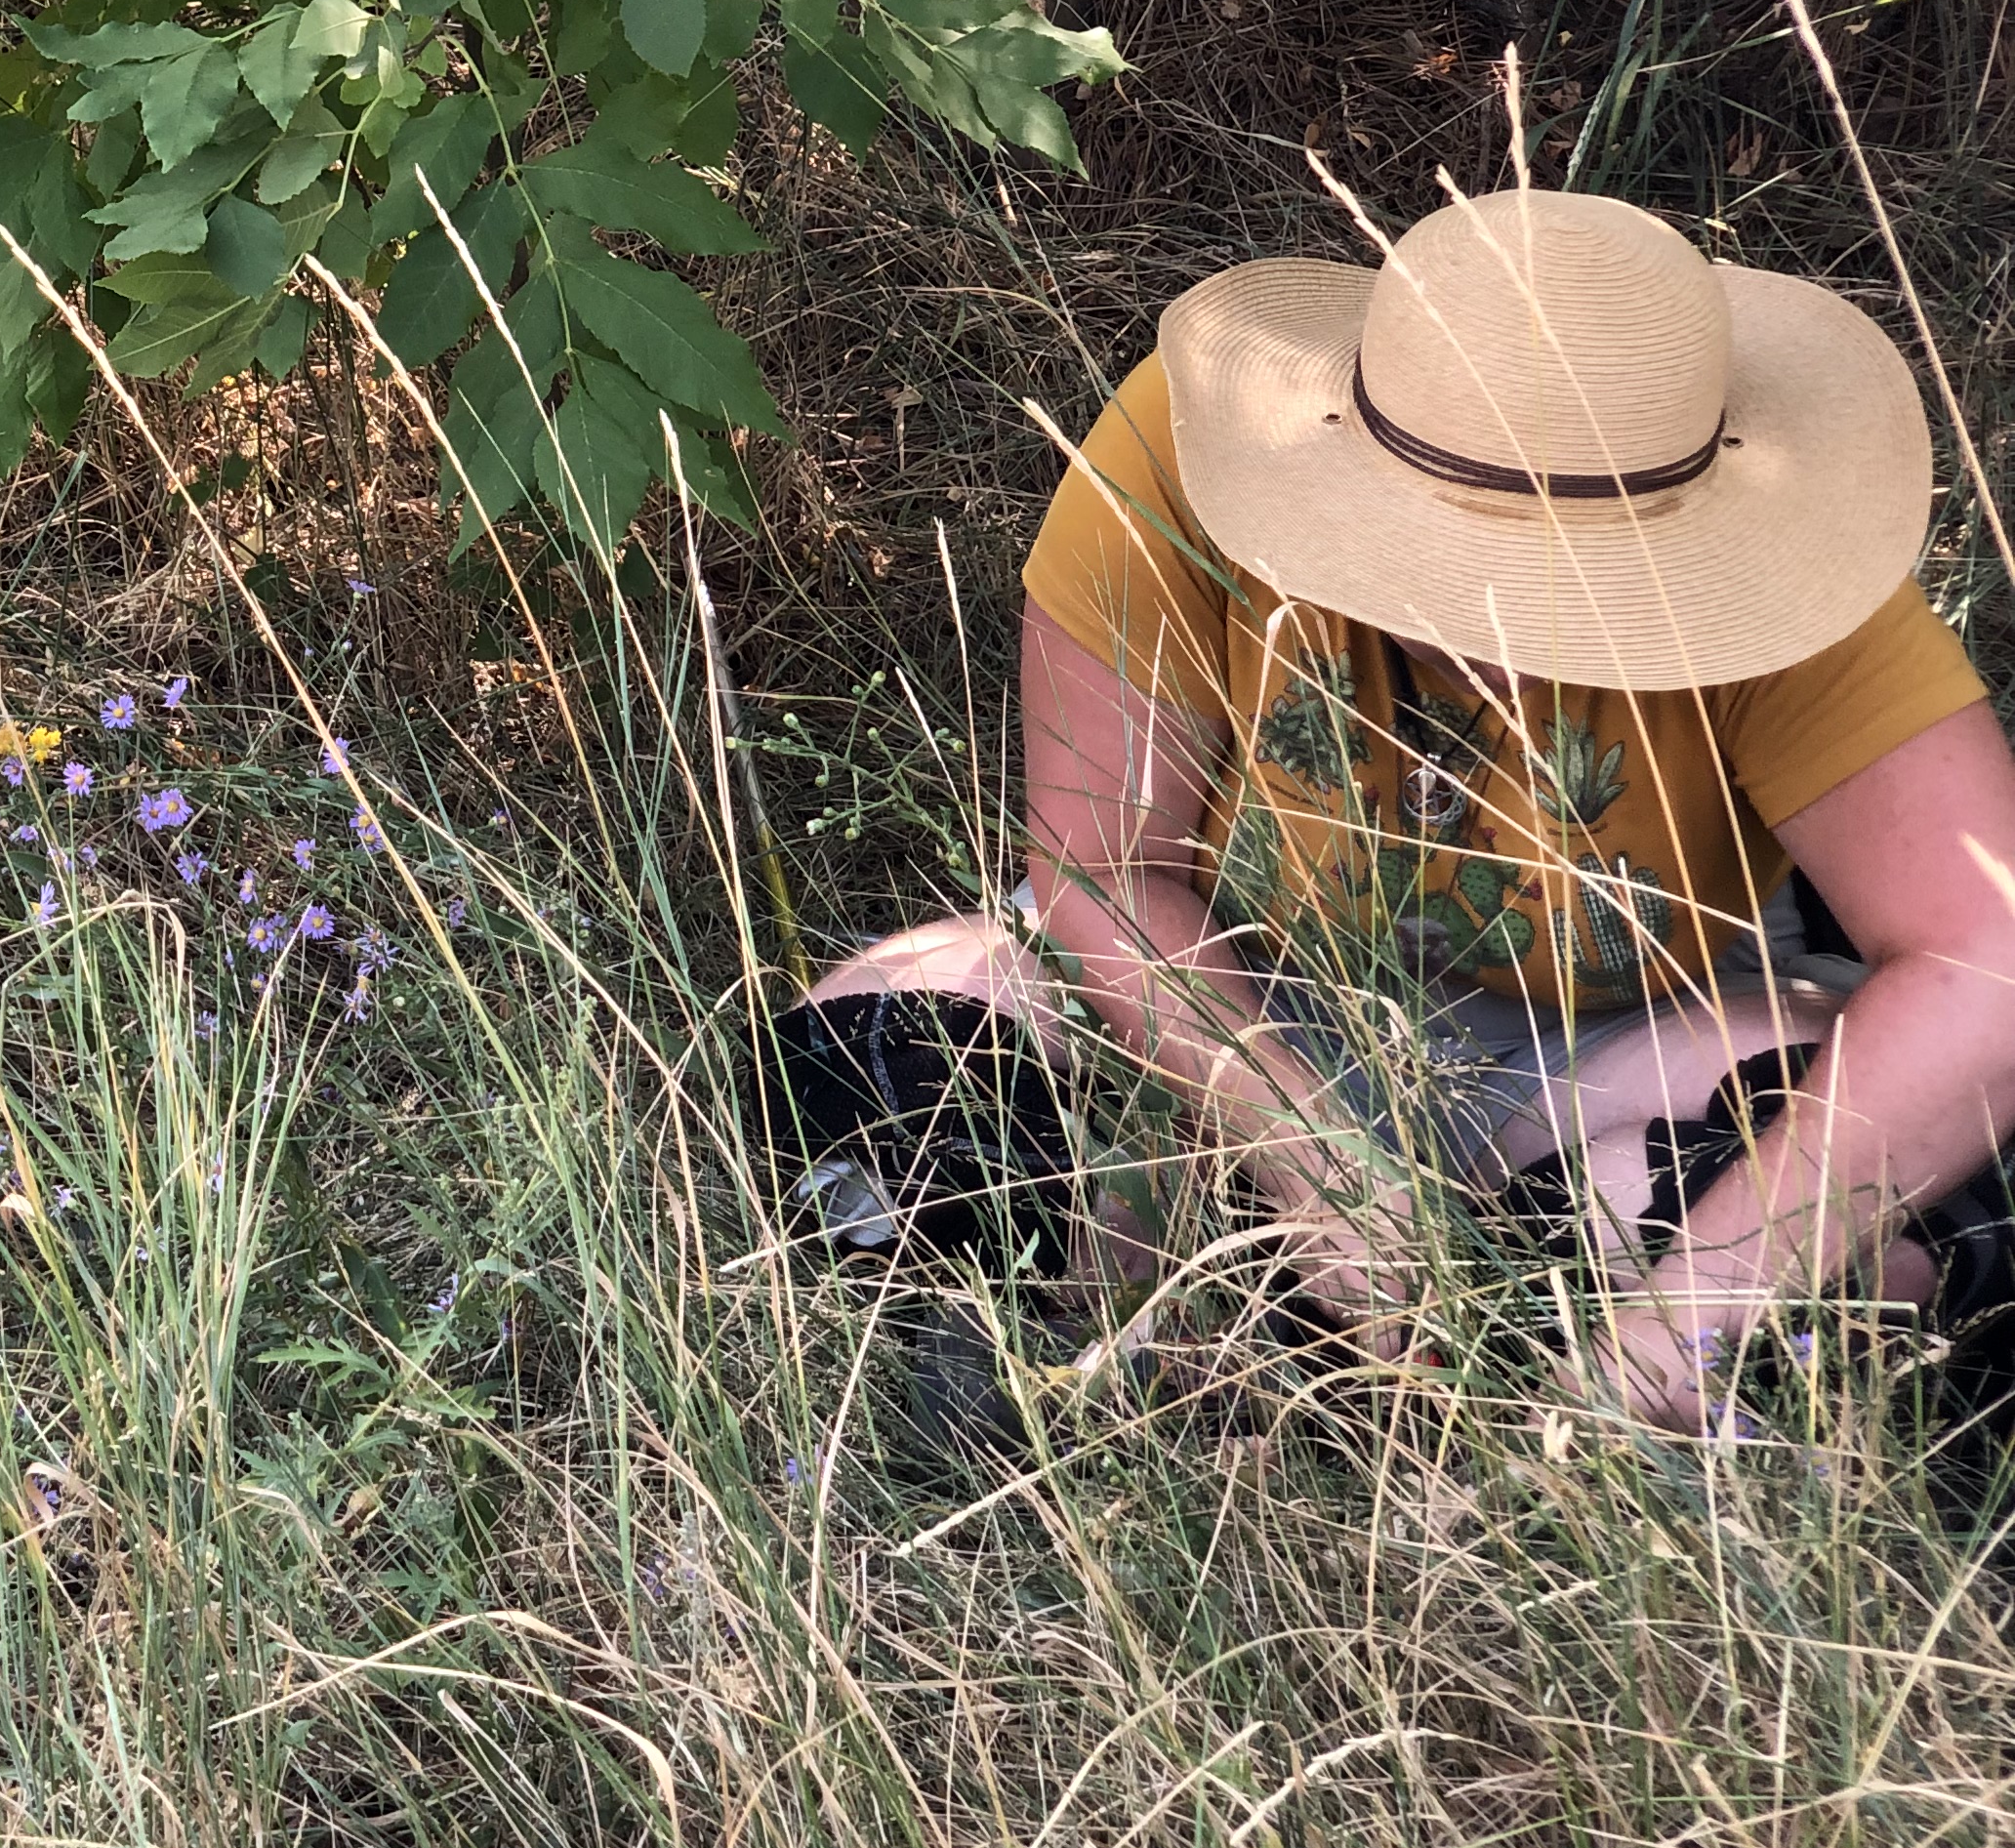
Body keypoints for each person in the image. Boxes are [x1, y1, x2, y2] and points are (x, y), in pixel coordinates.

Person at [770, 186, 2015, 1444]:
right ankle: (1377, 1328)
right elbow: (1101, 871)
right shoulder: (1188, 449)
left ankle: (1237, 1338)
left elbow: (1992, 961)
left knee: (1871, 1229)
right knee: (882, 1059)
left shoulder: (1793, 577)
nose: (1511, 635)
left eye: (1585, 582)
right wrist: (1318, 1169)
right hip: (1242, 999)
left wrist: (1679, 1321)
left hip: (1611, 1052)